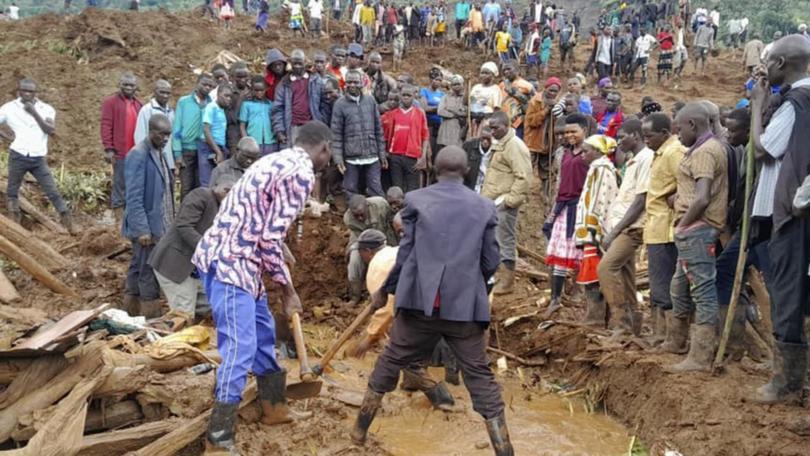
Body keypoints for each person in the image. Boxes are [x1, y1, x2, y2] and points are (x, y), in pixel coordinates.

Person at [350, 146, 513, 455]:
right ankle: (505, 450)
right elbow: (492, 260)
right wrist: (469, 285)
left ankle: (358, 432)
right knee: (479, 376)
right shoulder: (484, 206)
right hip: (464, 309)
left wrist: (385, 290)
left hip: (420, 305)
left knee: (390, 360)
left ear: (434, 169)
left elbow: (407, 254)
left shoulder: (416, 200)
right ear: (466, 171)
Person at [194, 121, 332, 452]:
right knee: (239, 347)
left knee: (262, 333)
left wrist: (281, 247)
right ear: (324, 149)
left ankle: (274, 406)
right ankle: (219, 435)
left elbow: (258, 218)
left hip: (243, 261)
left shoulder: (275, 159)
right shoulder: (301, 175)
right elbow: (269, 236)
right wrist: (288, 291)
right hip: (230, 264)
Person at [749, 35, 810, 403]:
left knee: (787, 290)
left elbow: (762, 148)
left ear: (783, 64)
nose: (763, 66)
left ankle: (786, 385)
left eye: (768, 60)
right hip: (797, 205)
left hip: (791, 212)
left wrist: (757, 106)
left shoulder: (798, 101)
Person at [663, 101, 727, 373]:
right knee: (679, 287)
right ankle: (676, 341)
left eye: (679, 130)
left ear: (692, 124)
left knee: (702, 291)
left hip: (697, 229)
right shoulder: (702, 149)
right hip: (693, 228)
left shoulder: (705, 152)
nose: (677, 136)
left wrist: (683, 226)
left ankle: (700, 357)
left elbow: (701, 198)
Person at [595, 120, 653, 333]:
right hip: (625, 225)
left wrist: (615, 230)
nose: (618, 142)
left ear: (636, 136)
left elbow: (640, 200)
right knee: (627, 276)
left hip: (632, 227)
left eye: (622, 137)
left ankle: (621, 324)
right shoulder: (633, 160)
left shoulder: (646, 159)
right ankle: (634, 325)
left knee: (606, 268)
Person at [149, 180, 233, 322]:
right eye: (228, 190)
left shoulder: (227, 209)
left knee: (215, 303)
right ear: (221, 188)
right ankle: (167, 340)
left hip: (195, 271)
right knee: (184, 315)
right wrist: (208, 249)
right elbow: (184, 226)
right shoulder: (201, 195)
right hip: (175, 266)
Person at [0, 79, 76, 233]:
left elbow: (49, 130)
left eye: (31, 91)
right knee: (12, 191)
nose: (27, 94)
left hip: (38, 158)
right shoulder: (8, 108)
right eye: (24, 90)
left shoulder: (46, 109)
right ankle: (15, 227)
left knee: (52, 191)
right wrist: (6, 136)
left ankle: (70, 225)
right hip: (18, 155)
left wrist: (33, 112)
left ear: (36, 93)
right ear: (18, 91)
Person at [122, 114, 174, 319]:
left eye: (169, 135)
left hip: (158, 222)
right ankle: (151, 313)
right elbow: (133, 196)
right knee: (148, 269)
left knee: (138, 265)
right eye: (162, 135)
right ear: (151, 132)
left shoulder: (158, 152)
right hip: (146, 226)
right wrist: (142, 229)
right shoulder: (138, 154)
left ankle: (131, 308)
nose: (166, 139)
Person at [641, 112, 685, 344]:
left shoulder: (673, 152)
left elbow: (687, 182)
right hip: (656, 226)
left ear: (665, 133)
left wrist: (676, 200)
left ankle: (670, 338)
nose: (645, 140)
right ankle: (660, 334)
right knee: (658, 284)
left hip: (666, 228)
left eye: (649, 136)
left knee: (664, 285)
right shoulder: (660, 153)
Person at [543, 114, 590, 316]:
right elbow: (561, 184)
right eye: (567, 132)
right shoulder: (565, 153)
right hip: (563, 207)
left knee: (581, 252)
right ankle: (556, 297)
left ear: (584, 131)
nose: (569, 135)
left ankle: (580, 292)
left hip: (581, 209)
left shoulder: (589, 155)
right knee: (561, 254)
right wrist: (553, 212)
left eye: (574, 131)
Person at [481, 111, 532, 295]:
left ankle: (507, 280)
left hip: (504, 201)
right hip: (494, 201)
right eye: (490, 128)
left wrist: (509, 201)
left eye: (496, 128)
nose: (492, 131)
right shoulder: (501, 143)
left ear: (507, 125)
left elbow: (524, 177)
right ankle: (497, 276)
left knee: (505, 240)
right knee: (494, 239)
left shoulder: (514, 146)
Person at [573, 134, 620, 330]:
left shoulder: (601, 170)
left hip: (594, 231)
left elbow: (597, 204)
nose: (582, 154)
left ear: (598, 152)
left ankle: (596, 319)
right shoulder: (598, 168)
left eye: (586, 151)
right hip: (591, 230)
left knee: (593, 275)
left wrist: (592, 231)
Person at [330, 69, 387, 198]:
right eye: (349, 82)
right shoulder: (339, 105)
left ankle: (380, 216)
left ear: (361, 83)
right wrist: (338, 159)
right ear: (345, 84)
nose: (352, 85)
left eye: (355, 82)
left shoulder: (370, 101)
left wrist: (382, 154)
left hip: (372, 154)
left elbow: (378, 129)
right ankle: (354, 216)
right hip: (351, 157)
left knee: (376, 189)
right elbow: (336, 134)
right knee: (350, 190)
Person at [101, 73, 143, 219]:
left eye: (131, 85)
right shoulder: (110, 102)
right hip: (120, 153)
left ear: (136, 87)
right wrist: (108, 148)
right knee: (119, 186)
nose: (128, 88)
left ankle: (130, 219)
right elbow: (106, 125)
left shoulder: (139, 105)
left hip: (136, 153)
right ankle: (118, 222)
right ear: (120, 84)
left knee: (134, 186)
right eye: (125, 84)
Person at [344, 195, 397, 303]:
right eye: (356, 216)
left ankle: (388, 292)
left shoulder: (380, 205)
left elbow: (394, 221)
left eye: (362, 214)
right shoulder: (348, 218)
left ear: (367, 206)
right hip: (363, 241)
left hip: (385, 238)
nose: (359, 218)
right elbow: (363, 242)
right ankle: (355, 295)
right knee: (354, 260)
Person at [173, 73, 215, 200]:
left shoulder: (212, 104)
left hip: (204, 150)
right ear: (197, 84)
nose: (207, 88)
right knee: (186, 187)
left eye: (210, 86)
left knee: (201, 186)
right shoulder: (184, 102)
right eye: (204, 84)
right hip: (187, 150)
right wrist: (178, 153)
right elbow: (177, 128)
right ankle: (184, 218)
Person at [272, 49, 325, 149]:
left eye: (300, 63)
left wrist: (321, 121)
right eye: (294, 64)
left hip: (311, 125)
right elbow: (277, 109)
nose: (297, 67)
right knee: (294, 158)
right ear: (290, 64)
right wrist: (279, 130)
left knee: (312, 157)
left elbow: (324, 102)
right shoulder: (284, 83)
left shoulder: (315, 80)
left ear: (305, 62)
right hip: (292, 127)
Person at [384, 84, 430, 193]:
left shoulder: (419, 113)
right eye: (403, 95)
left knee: (412, 188)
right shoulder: (393, 114)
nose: (406, 97)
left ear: (414, 96)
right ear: (400, 96)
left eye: (408, 95)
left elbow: (425, 136)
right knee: (397, 187)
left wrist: (423, 157)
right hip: (395, 156)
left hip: (412, 157)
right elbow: (387, 135)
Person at [524, 77, 561, 195]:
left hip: (548, 143)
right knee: (527, 169)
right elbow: (531, 121)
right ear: (545, 89)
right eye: (551, 90)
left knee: (547, 171)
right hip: (533, 141)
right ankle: (523, 194)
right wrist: (546, 110)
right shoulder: (535, 101)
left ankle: (545, 194)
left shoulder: (558, 103)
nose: (553, 93)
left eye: (555, 91)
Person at [134, 80, 175, 172]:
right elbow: (140, 135)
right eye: (162, 92)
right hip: (151, 158)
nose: (165, 95)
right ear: (155, 92)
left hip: (168, 159)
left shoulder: (171, 112)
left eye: (168, 93)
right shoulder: (146, 110)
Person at [200, 84, 233, 187]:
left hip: (218, 147)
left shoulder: (221, 109)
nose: (229, 99)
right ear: (218, 94)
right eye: (226, 96)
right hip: (208, 147)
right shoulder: (211, 107)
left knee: (217, 180)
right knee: (207, 181)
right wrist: (218, 152)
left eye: (230, 97)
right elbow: (206, 130)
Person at [239, 76, 277, 155]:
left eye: (261, 90)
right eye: (256, 90)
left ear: (266, 89)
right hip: (253, 142)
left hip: (270, 142)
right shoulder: (246, 104)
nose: (259, 93)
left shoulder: (271, 104)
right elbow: (242, 126)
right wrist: (246, 140)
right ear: (251, 90)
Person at [499, 61, 535, 139]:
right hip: (503, 122)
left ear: (517, 70)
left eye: (508, 69)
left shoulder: (527, 86)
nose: (506, 72)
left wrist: (516, 94)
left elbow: (534, 104)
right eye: (504, 70)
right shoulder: (501, 85)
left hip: (518, 122)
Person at [469, 62, 502, 138]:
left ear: (492, 75)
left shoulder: (496, 89)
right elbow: (468, 102)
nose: (483, 75)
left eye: (486, 73)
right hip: (473, 120)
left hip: (486, 120)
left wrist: (490, 123)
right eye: (482, 73)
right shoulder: (476, 87)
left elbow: (496, 109)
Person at [420, 68, 446, 160]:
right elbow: (424, 108)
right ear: (431, 79)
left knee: (437, 149)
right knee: (428, 148)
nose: (438, 82)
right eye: (436, 79)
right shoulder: (424, 91)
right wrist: (438, 108)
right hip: (428, 124)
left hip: (440, 124)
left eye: (440, 80)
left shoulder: (442, 94)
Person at [436, 74, 466, 149]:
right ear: (451, 86)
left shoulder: (465, 98)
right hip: (446, 130)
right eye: (454, 84)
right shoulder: (445, 97)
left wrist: (450, 109)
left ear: (462, 85)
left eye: (458, 84)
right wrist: (455, 115)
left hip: (459, 130)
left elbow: (466, 112)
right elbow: (440, 111)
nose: (456, 86)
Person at [462, 123, 494, 193]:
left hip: (487, 188)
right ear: (480, 137)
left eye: (488, 139)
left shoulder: (496, 151)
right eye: (483, 138)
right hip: (470, 186)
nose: (485, 142)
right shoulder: (469, 146)